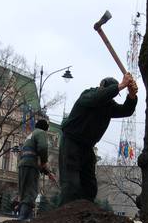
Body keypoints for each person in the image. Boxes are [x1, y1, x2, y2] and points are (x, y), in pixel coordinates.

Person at [59, 72, 138, 205]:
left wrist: (131, 95)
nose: (111, 98)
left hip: (87, 147)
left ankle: (85, 211)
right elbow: (98, 98)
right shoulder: (88, 95)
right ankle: (65, 212)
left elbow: (126, 110)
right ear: (102, 88)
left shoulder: (108, 106)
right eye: (109, 92)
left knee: (89, 185)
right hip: (71, 142)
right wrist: (122, 85)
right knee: (71, 183)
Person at [17, 119, 54, 221]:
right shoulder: (41, 133)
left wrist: (47, 172)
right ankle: (23, 218)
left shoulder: (30, 135)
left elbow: (31, 154)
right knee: (31, 191)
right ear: (45, 128)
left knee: (24, 192)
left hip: (23, 164)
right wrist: (44, 161)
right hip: (31, 165)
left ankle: (26, 217)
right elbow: (42, 148)